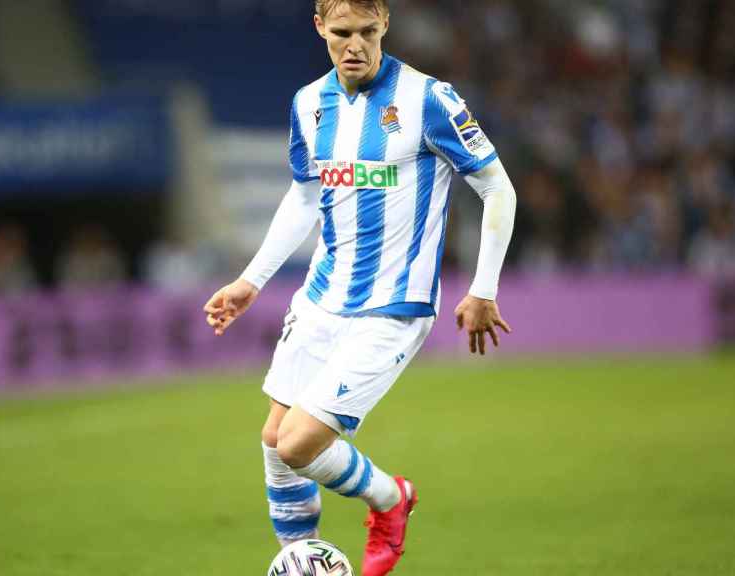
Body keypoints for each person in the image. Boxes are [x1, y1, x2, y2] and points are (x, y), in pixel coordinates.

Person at [203, 1, 516, 573]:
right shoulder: (308, 103)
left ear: (385, 25)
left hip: (393, 307)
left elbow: (498, 189)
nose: (356, 46)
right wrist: (251, 280)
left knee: (299, 444)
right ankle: (301, 562)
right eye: (342, 32)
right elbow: (304, 195)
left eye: (368, 32)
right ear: (319, 27)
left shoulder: (430, 100)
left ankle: (392, 499)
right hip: (323, 297)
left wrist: (483, 288)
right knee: (275, 441)